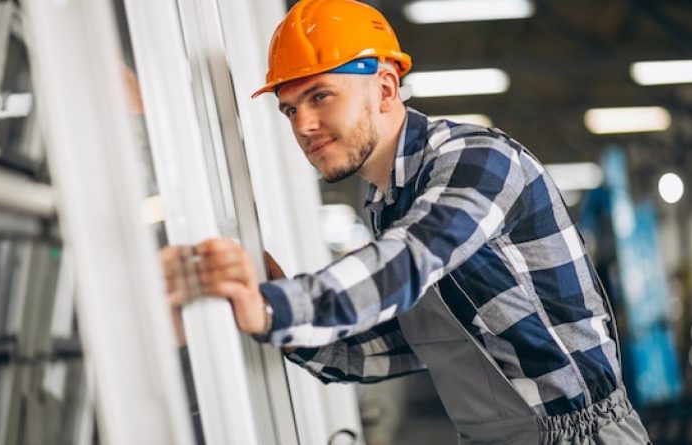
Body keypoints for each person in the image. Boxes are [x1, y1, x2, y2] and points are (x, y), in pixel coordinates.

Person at [161, 0, 651, 443]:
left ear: (385, 87)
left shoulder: (477, 159)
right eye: (290, 109)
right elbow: (406, 346)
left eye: (320, 96)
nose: (303, 125)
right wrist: (273, 314)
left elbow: (413, 256)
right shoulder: (388, 203)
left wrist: (277, 307)